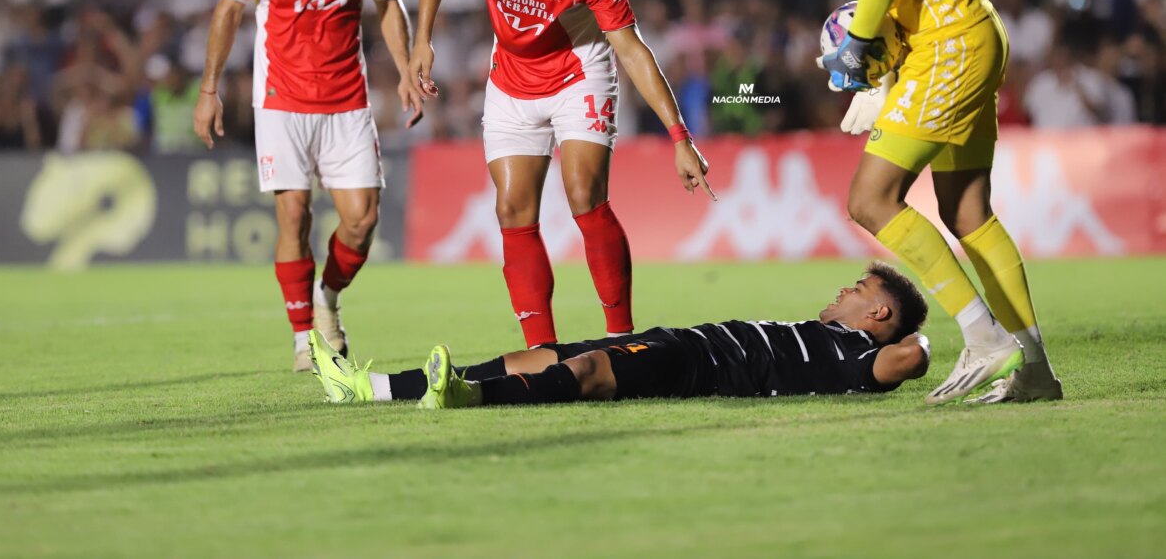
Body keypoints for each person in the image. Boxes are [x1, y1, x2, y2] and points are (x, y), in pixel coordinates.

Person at [775, 0, 1062, 405]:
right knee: (967, 211)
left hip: (951, 41)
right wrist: (888, 62)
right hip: (970, 31)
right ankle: (1036, 369)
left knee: (870, 199)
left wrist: (857, 48)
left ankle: (982, 333)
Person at [407, 0, 715, 349]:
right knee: (512, 209)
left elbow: (632, 50)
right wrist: (421, 39)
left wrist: (680, 138)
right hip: (511, 76)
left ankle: (622, 341)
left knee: (582, 193)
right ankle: (542, 352)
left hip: (579, 73)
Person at [193, 0, 424, 372]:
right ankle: (304, 339)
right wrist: (209, 90)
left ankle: (327, 298)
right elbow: (229, 10)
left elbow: (387, 4)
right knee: (294, 216)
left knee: (362, 221)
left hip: (347, 98)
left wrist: (408, 66)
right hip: (282, 98)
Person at [308, 262, 931, 408]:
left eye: (858, 289)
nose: (844, 290)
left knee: (590, 374)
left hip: (699, 367)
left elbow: (905, 360)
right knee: (539, 355)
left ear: (878, 316)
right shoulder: (812, 332)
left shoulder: (855, 361)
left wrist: (928, 348)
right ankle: (371, 388)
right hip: (684, 337)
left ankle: (466, 398)